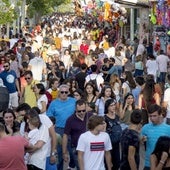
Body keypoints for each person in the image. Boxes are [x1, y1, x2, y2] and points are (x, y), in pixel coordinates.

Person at [47, 84, 76, 170]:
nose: (64, 94)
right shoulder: (54, 103)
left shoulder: (74, 101)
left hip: (71, 130)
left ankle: (72, 166)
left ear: (69, 92)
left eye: (66, 92)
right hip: (58, 130)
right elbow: (49, 116)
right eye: (62, 92)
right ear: (59, 93)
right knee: (59, 153)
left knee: (73, 151)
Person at [62, 99, 93, 169]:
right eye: (79, 111)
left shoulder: (91, 117)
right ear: (75, 109)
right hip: (77, 149)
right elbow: (65, 136)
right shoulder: (70, 120)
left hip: (90, 148)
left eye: (84, 110)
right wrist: (64, 152)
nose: (82, 113)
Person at [141, 104, 170, 170]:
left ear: (160, 115)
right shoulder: (146, 127)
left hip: (164, 164)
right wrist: (141, 139)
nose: (152, 118)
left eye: (154, 116)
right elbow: (139, 139)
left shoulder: (168, 128)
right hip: (148, 164)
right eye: (150, 116)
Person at [104, 98, 121, 170]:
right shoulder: (104, 118)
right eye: (111, 105)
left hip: (117, 145)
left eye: (114, 105)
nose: (113, 107)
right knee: (108, 165)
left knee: (117, 164)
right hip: (108, 146)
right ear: (107, 107)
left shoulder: (117, 116)